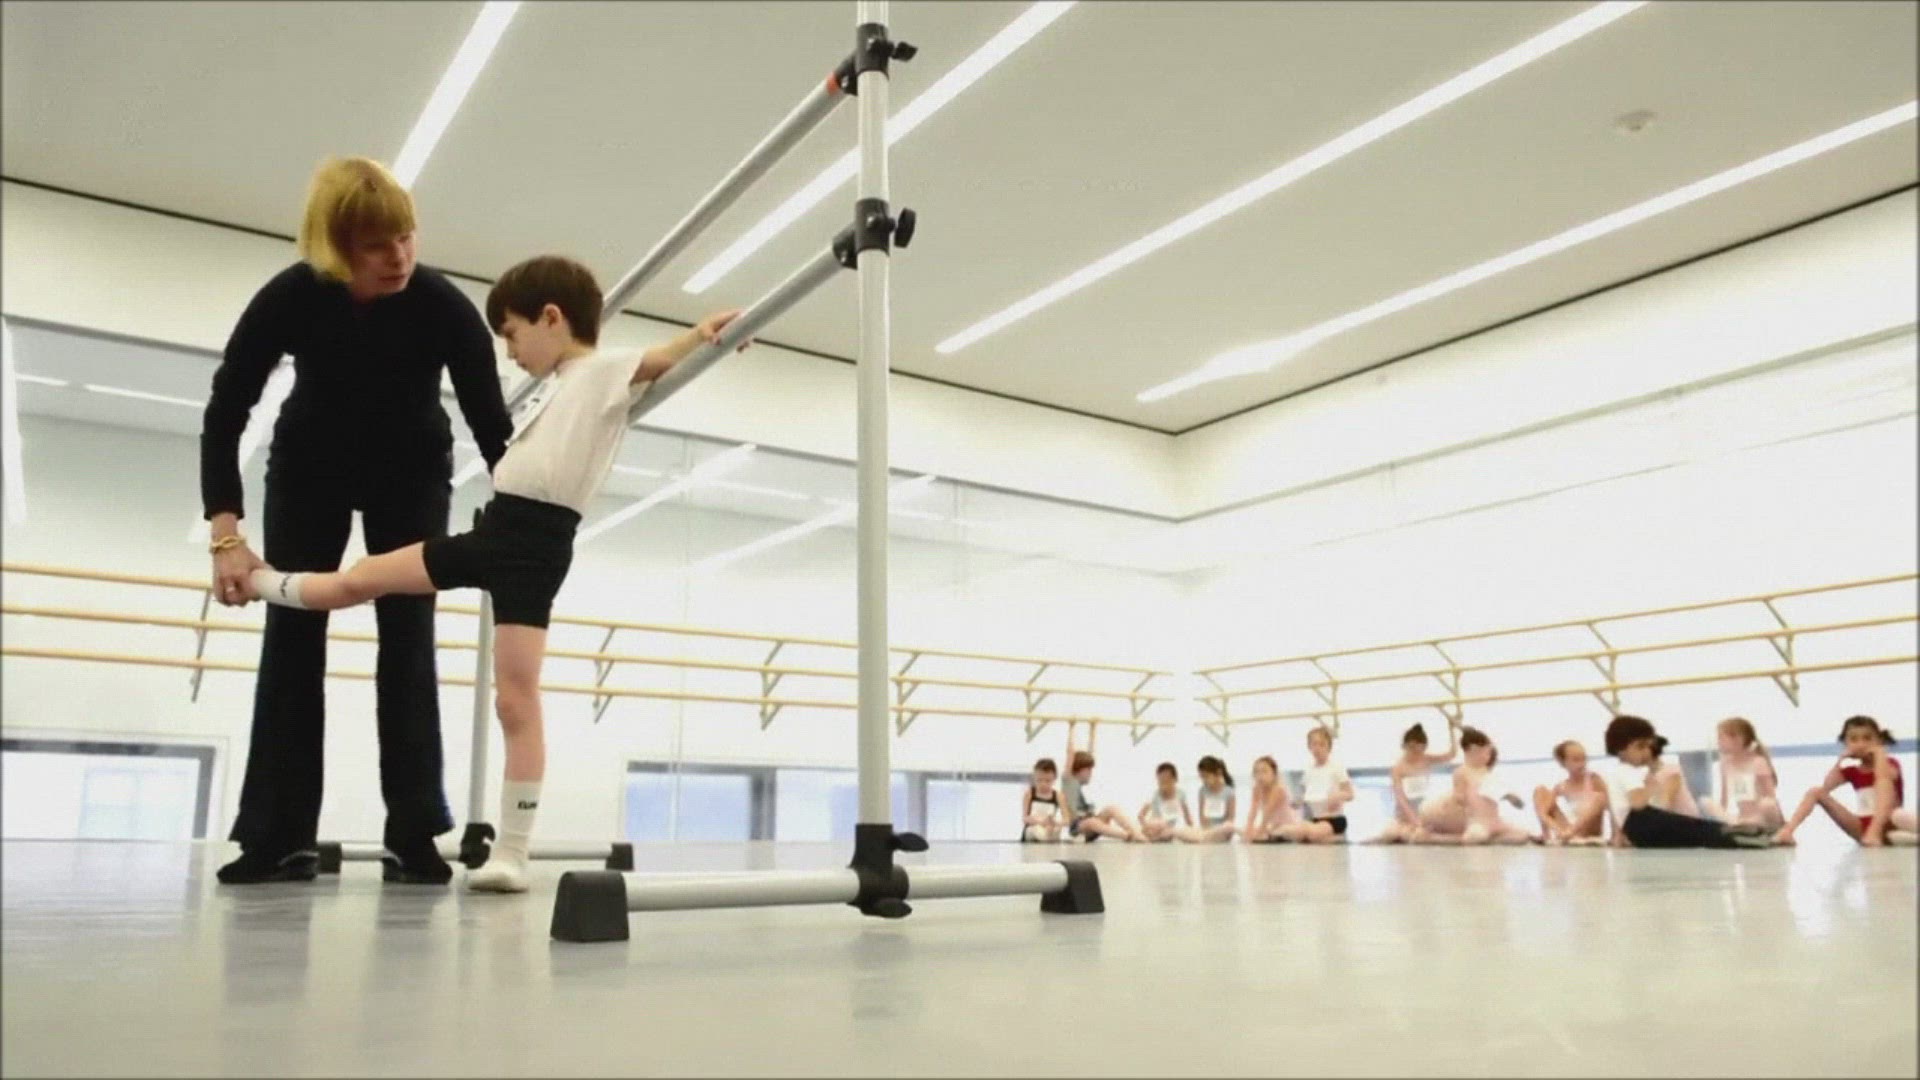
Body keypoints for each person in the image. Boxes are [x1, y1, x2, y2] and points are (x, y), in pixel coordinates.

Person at [251, 254, 748, 891]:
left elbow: (655, 360)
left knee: (515, 699)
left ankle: (512, 852)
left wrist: (705, 333)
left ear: (551, 317)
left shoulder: (599, 370)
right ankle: (264, 582)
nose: (510, 352)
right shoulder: (560, 382)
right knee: (365, 575)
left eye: (512, 335)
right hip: (496, 532)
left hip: (534, 547)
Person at [205, 157, 514, 886]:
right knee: (292, 636)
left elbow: (492, 427)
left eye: (406, 236)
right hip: (309, 467)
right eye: (378, 246)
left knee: (408, 637)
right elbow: (227, 409)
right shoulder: (292, 296)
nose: (399, 256)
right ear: (338, 248)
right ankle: (279, 836)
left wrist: (521, 518)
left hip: (411, 471)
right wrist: (226, 534)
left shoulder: (441, 304)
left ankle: (414, 832)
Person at [1602, 715, 1772, 848]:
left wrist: (1619, 835)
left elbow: (1618, 810)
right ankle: (1737, 835)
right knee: (1697, 831)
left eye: (1648, 746)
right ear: (1621, 749)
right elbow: (1638, 803)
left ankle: (1735, 833)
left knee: (1693, 832)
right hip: (1640, 823)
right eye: (1640, 747)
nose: (1646, 752)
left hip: (1638, 827)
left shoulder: (1624, 772)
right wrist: (1650, 787)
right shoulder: (1627, 771)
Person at [1774, 716, 1918, 848]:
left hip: (1891, 823)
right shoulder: (1853, 770)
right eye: (1854, 740)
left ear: (1878, 740)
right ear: (1846, 743)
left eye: (1867, 738)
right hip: (1862, 828)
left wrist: (1880, 753)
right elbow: (1827, 786)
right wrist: (1840, 760)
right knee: (1815, 791)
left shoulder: (1890, 764)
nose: (1861, 744)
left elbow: (1883, 779)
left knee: (1897, 813)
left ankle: (1877, 832)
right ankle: (1787, 831)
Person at [1414, 727, 1530, 845]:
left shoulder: (1485, 771)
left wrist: (1510, 797)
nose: (1488, 756)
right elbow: (1459, 796)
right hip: (1474, 817)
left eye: (1489, 752)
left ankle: (1491, 839)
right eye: (1486, 752)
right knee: (1475, 837)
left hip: (1493, 818)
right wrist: (1463, 798)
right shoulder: (1462, 771)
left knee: (1522, 835)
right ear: (1473, 750)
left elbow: (1497, 791)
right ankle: (1436, 838)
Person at [1061, 721, 1148, 843]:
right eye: (1088, 770)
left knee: (1112, 808)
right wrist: (1072, 727)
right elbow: (1070, 754)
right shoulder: (1068, 781)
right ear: (1078, 769)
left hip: (1091, 822)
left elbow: (1090, 753)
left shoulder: (1080, 782)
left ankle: (1136, 833)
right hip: (1077, 827)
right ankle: (1127, 836)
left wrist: (1093, 729)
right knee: (1092, 822)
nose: (1091, 773)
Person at [1372, 721, 1457, 844]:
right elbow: (1400, 798)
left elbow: (1451, 754)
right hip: (1404, 814)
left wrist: (1451, 730)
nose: (1415, 753)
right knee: (1391, 834)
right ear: (1404, 747)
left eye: (1419, 749)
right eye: (1412, 749)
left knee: (1421, 833)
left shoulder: (1426, 759)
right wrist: (1414, 820)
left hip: (1425, 811)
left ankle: (1449, 838)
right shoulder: (1398, 768)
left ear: (1424, 747)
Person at [1698, 717, 1782, 831]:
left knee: (1767, 804)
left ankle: (1745, 824)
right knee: (1705, 801)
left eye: (1721, 738)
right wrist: (1722, 817)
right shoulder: (1725, 764)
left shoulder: (1758, 762)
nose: (1718, 742)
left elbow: (1771, 799)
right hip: (1741, 817)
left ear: (1738, 739)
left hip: (1762, 817)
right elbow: (1724, 799)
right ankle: (1738, 824)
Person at [1532, 739, 1609, 846]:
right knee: (1540, 790)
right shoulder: (1561, 786)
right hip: (1567, 830)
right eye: (1576, 760)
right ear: (1563, 763)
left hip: (1588, 832)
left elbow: (1608, 805)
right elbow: (1544, 813)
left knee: (1600, 797)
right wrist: (1557, 829)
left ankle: (1570, 834)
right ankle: (1547, 835)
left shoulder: (1594, 779)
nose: (1582, 764)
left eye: (1584, 759)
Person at [1296, 725, 1355, 840]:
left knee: (1312, 833)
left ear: (1329, 747)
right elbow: (1304, 795)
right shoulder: (1308, 770)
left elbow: (1350, 794)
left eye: (1321, 744)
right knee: (1295, 831)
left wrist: (1338, 796)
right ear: (1309, 747)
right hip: (1315, 819)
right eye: (1314, 744)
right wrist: (1297, 801)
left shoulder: (1337, 767)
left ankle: (1335, 838)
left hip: (1334, 819)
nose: (1317, 748)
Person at [1240, 755, 1297, 843]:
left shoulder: (1278, 789)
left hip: (1286, 826)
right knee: (1244, 830)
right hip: (1272, 826)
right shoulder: (1256, 789)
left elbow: (1267, 813)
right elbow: (1253, 811)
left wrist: (1260, 832)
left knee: (1276, 832)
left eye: (1264, 771)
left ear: (1274, 774)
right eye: (1257, 772)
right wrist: (1248, 829)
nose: (1260, 776)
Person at [1138, 762, 1196, 842]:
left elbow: (1187, 816)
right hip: (1155, 827)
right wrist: (1147, 825)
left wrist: (1192, 830)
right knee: (1158, 828)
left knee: (1175, 832)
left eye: (1166, 781)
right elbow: (1140, 815)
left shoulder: (1180, 794)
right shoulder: (1155, 795)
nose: (1163, 785)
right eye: (1160, 782)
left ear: (1175, 780)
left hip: (1168, 830)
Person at [1189, 756, 1238, 843]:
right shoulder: (1203, 791)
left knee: (1225, 828)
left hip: (1223, 832)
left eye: (1206, 776)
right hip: (1206, 831)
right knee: (1186, 831)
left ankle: (1203, 838)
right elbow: (1202, 817)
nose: (1204, 780)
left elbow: (1230, 819)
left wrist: (1221, 830)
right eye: (1202, 777)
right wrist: (1207, 830)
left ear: (1218, 773)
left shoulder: (1229, 792)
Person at [1021, 758, 1068, 842]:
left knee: (1056, 830)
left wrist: (1055, 823)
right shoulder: (1029, 794)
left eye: (1048, 781)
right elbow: (1025, 818)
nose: (1043, 784)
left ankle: (1048, 837)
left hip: (1050, 827)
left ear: (1054, 778)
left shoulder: (1058, 796)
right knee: (1036, 830)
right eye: (1039, 780)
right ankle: (1046, 837)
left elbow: (1066, 820)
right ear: (1034, 777)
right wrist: (1040, 822)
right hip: (1033, 828)